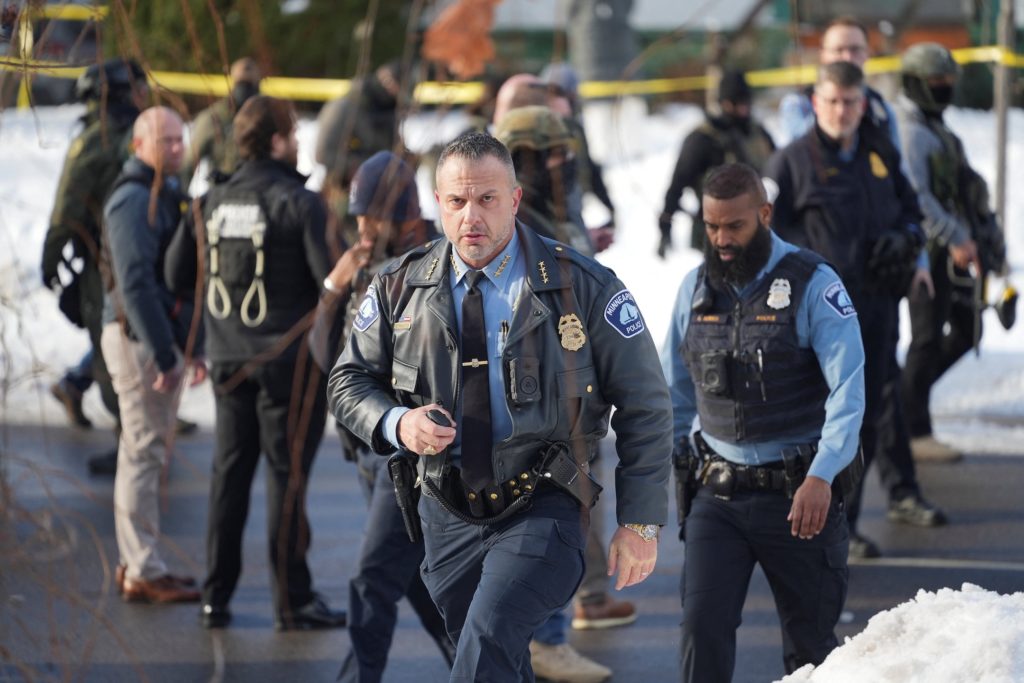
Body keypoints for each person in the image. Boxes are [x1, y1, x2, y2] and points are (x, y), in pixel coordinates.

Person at [329, 131, 672, 681]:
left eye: (487, 199)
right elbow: (347, 381)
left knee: (485, 647)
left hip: (545, 505)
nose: (472, 216)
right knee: (499, 662)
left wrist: (641, 522)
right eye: (457, 201)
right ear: (437, 204)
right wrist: (398, 421)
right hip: (445, 512)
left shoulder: (580, 286)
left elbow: (647, 405)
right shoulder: (397, 287)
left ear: (513, 199)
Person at [661, 162, 866, 680]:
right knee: (700, 635)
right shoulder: (694, 288)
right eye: (711, 227)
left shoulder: (813, 283)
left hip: (800, 498)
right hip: (718, 497)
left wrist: (822, 475)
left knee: (811, 651)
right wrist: (677, 455)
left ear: (765, 214)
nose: (722, 239)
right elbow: (674, 389)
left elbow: (849, 389)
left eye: (735, 226)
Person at [164, 95, 347, 631]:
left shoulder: (211, 200)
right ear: (275, 141)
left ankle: (214, 597)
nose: (298, 142)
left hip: (228, 359)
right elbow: (330, 282)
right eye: (292, 132)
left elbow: (176, 274)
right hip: (289, 365)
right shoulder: (300, 202)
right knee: (287, 481)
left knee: (230, 475)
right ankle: (292, 601)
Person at [766, 62, 946, 561]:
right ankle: (801, 525)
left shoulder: (880, 151)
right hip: (816, 319)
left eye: (850, 102)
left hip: (878, 309)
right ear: (816, 103)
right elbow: (767, 236)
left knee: (866, 418)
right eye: (832, 101)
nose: (842, 111)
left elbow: (914, 213)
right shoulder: (792, 161)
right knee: (818, 421)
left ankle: (841, 524)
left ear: (863, 104)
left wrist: (905, 240)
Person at [494, 105, 630, 683]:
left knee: (567, 523)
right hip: (541, 405)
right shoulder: (517, 231)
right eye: (553, 155)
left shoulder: (558, 215)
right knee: (544, 527)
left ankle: (542, 636)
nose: (565, 164)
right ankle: (541, 640)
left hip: (578, 396)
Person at [316, 151, 454, 681]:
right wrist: (333, 289)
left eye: (370, 221)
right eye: (357, 221)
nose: (362, 232)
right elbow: (324, 362)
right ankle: (489, 667)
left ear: (406, 220)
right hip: (368, 454)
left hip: (407, 456)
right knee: (418, 581)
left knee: (372, 579)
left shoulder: (421, 275)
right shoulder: (362, 274)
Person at [101, 106, 205, 603]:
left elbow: (180, 281)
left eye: (179, 140)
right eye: (164, 141)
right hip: (138, 341)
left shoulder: (167, 195)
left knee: (145, 452)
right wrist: (166, 355)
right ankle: (142, 568)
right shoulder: (133, 200)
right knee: (143, 453)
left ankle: (139, 562)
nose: (175, 148)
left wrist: (191, 345)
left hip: (156, 339)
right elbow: (136, 285)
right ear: (138, 145)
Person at [895, 42, 1007, 463]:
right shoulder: (910, 133)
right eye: (935, 82)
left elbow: (964, 189)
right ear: (915, 84)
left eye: (947, 81)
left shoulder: (938, 130)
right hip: (927, 256)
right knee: (925, 339)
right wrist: (955, 236)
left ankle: (905, 404)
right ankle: (912, 426)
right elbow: (918, 199)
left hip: (955, 257)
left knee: (968, 328)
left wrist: (986, 240)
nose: (944, 88)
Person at [41, 58, 148, 473]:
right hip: (126, 262)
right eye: (136, 87)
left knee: (114, 353)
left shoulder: (97, 139)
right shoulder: (142, 134)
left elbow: (66, 207)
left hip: (106, 267)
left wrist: (50, 261)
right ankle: (135, 442)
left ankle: (133, 445)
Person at [658, 70, 774, 257]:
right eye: (736, 104)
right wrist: (665, 222)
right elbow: (678, 182)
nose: (743, 110)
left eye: (745, 103)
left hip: (758, 228)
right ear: (724, 104)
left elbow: (778, 169)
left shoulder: (757, 134)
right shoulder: (702, 140)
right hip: (715, 236)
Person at [778, 16, 900, 147]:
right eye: (838, 50)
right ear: (823, 55)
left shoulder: (881, 110)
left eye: (855, 49)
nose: (847, 57)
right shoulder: (799, 105)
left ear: (867, 54)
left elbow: (896, 163)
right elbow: (794, 158)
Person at [180, 56, 262, 187]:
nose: (245, 91)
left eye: (249, 85)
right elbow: (188, 165)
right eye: (241, 85)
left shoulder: (267, 116)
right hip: (223, 196)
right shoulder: (214, 118)